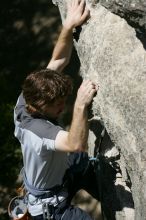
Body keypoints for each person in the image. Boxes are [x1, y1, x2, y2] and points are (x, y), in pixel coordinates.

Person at [14, 0, 99, 219]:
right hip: (49, 209)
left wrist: (69, 26)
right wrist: (79, 104)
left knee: (79, 161)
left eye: (64, 100)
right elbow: (75, 143)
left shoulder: (26, 99)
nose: (62, 106)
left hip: (59, 176)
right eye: (57, 104)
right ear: (39, 106)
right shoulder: (39, 132)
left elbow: (58, 59)